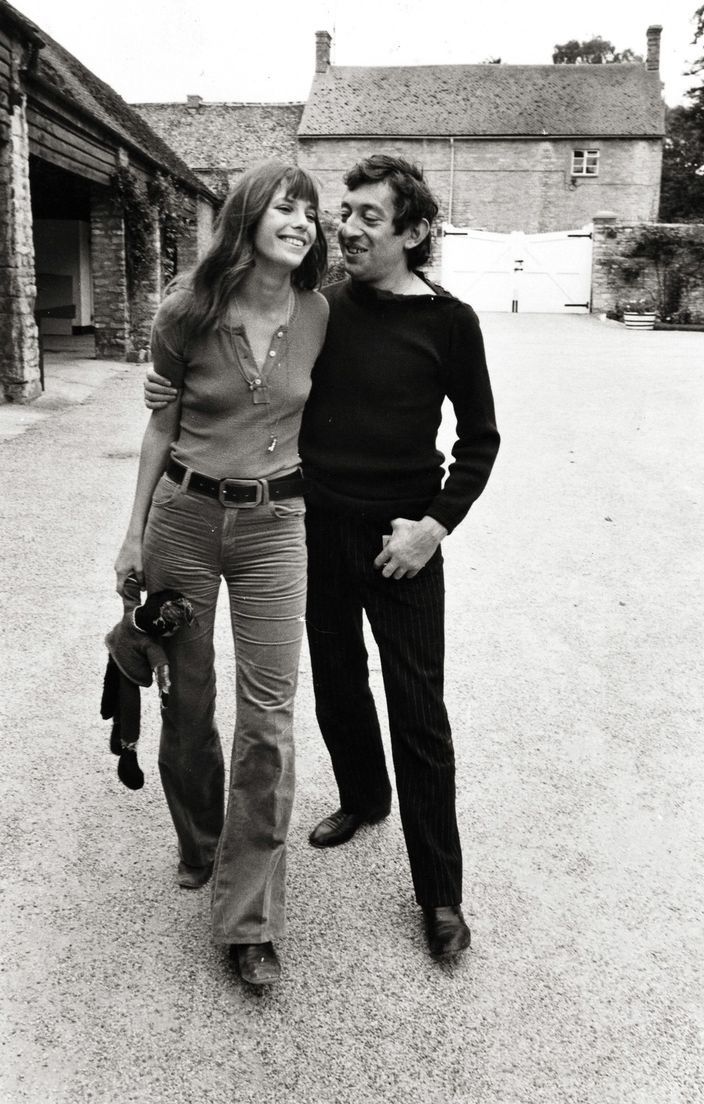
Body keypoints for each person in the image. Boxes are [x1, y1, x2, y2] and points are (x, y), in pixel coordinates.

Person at [145, 154, 500, 962]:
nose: (348, 228)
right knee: (337, 683)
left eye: (371, 217)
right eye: (349, 212)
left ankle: (440, 894)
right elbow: (260, 386)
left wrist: (434, 527)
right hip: (312, 529)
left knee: (418, 712)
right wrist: (179, 397)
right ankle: (364, 798)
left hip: (400, 541)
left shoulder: (451, 322)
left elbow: (480, 440)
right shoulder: (325, 308)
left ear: (415, 233)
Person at [115, 160, 328, 987]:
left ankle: (249, 920)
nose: (303, 221)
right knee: (189, 699)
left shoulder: (319, 312)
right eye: (287, 206)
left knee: (270, 716)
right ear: (247, 216)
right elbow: (159, 428)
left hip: (279, 525)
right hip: (187, 520)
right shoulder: (186, 310)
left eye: (310, 212)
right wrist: (132, 535)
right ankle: (201, 840)